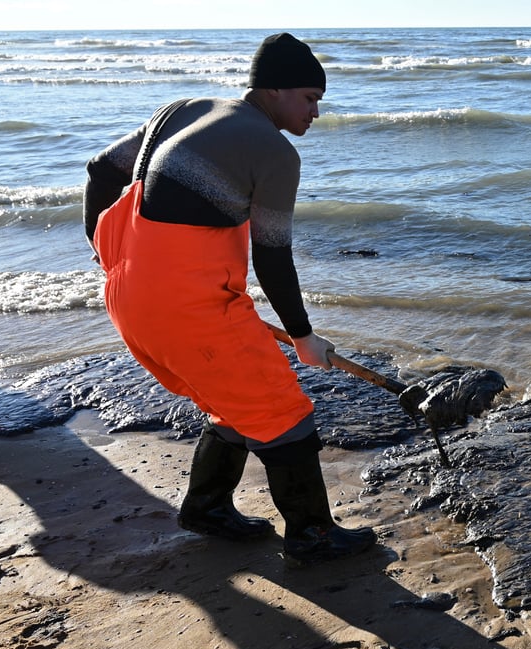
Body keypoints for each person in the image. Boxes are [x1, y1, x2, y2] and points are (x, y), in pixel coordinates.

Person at [83, 32, 376, 566]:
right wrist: (304, 336)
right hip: (189, 307)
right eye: (310, 98)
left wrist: (105, 255)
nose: (316, 112)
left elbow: (101, 171)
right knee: (283, 407)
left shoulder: (183, 109)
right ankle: (312, 537)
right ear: (276, 88)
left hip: (128, 295)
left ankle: (207, 509)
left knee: (233, 402)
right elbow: (271, 256)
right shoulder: (273, 151)